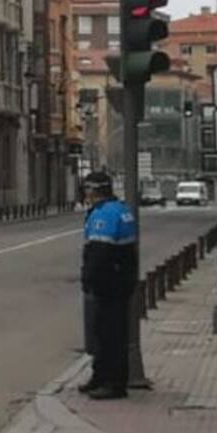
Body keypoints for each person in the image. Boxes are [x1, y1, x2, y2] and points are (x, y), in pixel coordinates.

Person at [79, 171, 138, 400]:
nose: (85, 193)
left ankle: (113, 383)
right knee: (105, 332)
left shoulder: (105, 215)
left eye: (87, 189)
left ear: (94, 190)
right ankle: (100, 376)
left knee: (109, 334)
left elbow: (98, 253)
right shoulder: (121, 210)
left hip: (109, 284)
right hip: (120, 281)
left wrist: (88, 280)